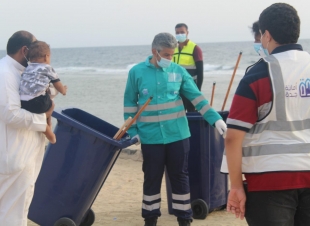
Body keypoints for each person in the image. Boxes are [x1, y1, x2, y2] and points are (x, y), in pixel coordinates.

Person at [124, 32, 227, 226]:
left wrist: (216, 119)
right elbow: (129, 104)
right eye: (167, 55)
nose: (170, 59)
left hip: (178, 135)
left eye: (172, 55)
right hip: (150, 136)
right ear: (154, 51)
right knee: (152, 178)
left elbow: (197, 98)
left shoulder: (178, 71)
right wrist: (132, 132)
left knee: (180, 177)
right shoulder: (136, 72)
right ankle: (150, 220)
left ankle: (184, 220)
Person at [221, 3, 310, 226]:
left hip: (269, 182)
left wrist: (236, 186)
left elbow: (233, 137)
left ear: (267, 35)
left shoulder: (258, 74)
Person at [0, 31, 53, 226]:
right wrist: (43, 119)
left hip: (20, 156)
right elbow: (11, 114)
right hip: (13, 158)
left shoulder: (22, 71)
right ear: (24, 50)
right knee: (12, 218)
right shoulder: (5, 73)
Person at [19, 40, 67, 144]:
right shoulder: (48, 68)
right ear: (46, 57)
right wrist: (63, 91)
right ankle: (48, 129)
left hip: (22, 103)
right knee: (52, 104)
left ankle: (44, 124)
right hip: (38, 103)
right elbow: (57, 85)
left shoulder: (27, 68)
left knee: (45, 97)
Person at [173, 23, 204, 112]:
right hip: (176, 88)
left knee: (191, 112)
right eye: (177, 32)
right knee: (177, 114)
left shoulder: (195, 48)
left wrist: (198, 91)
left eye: (182, 32)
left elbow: (200, 72)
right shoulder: (172, 48)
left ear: (187, 32)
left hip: (190, 87)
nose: (179, 34)